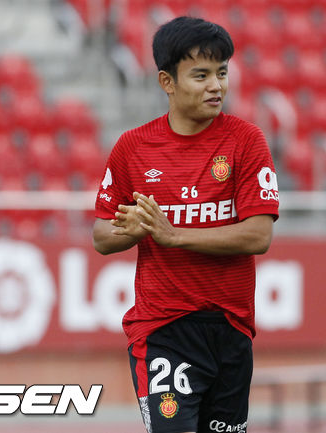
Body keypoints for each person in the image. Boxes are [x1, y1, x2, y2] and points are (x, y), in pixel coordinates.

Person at [92, 16, 279, 433]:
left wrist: (174, 235)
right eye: (201, 75)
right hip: (163, 330)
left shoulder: (246, 141)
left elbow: (259, 234)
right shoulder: (133, 147)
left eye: (222, 73)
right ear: (167, 82)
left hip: (231, 328)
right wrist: (131, 230)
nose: (216, 86)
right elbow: (102, 235)